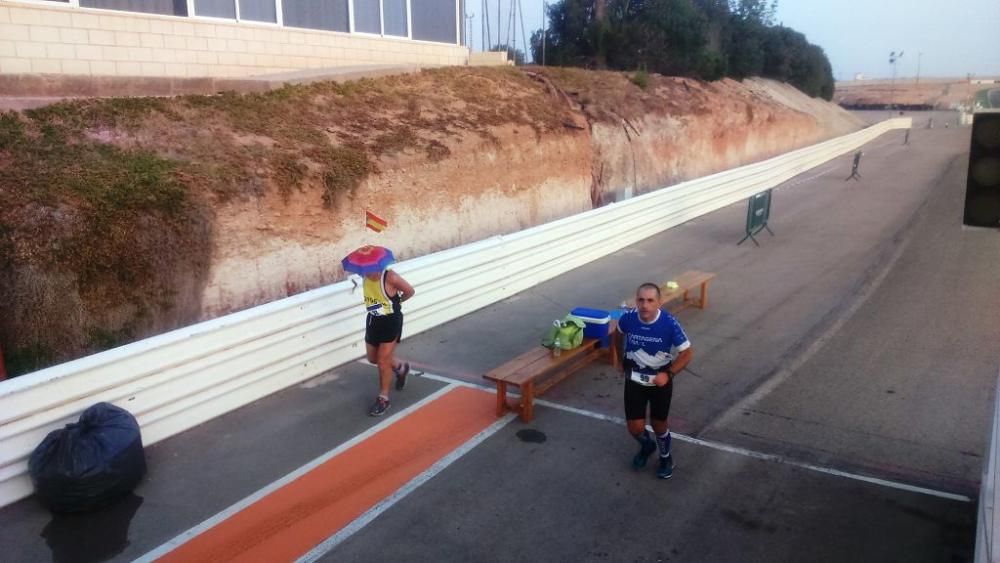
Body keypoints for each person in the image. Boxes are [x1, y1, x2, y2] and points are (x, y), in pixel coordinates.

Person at [615, 283, 693, 479]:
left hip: (660, 381)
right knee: (635, 428)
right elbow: (618, 332)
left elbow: (687, 353)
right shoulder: (629, 318)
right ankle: (647, 446)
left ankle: (666, 457)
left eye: (650, 300)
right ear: (636, 301)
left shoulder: (669, 323)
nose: (645, 305)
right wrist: (618, 358)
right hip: (634, 378)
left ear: (659, 302)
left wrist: (669, 374)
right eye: (641, 300)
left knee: (659, 424)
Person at [363, 267, 415, 417]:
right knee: (373, 358)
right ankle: (401, 368)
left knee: (382, 361)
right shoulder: (364, 276)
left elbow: (410, 291)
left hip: (390, 321)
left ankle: (383, 399)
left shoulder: (391, 277)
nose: (370, 271)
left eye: (373, 267)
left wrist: (397, 302)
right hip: (373, 319)